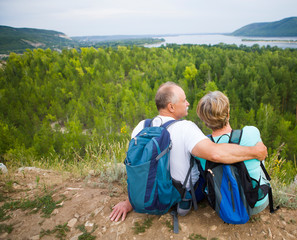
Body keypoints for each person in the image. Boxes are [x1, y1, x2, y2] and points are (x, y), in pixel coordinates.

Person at [109, 82, 268, 222]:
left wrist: (130, 201)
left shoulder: (141, 127)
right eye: (184, 100)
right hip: (180, 194)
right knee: (202, 161)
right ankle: (190, 200)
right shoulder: (186, 127)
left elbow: (137, 167)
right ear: (171, 107)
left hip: (150, 193)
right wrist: (255, 152)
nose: (187, 103)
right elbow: (216, 154)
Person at [196, 90, 269, 214]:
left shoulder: (201, 147)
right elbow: (262, 157)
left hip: (224, 206)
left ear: (205, 121)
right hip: (257, 202)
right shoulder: (251, 133)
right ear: (228, 113)